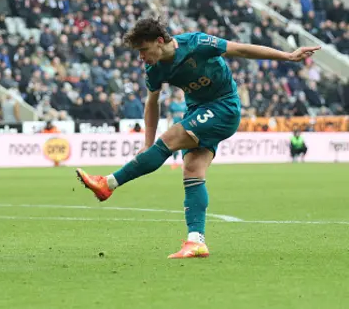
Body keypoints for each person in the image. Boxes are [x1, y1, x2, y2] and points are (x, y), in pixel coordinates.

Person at [76, 17, 319, 259]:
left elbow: (241, 49)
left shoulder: (197, 43)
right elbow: (152, 103)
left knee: (170, 138)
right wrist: (146, 144)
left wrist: (287, 56)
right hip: (198, 111)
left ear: (159, 41)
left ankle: (107, 184)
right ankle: (196, 241)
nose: (141, 57)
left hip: (224, 106)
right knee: (192, 170)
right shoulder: (154, 68)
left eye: (143, 50)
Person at [167, 89, 187, 170]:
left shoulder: (186, 104)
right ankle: (174, 161)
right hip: (175, 126)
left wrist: (184, 116)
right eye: (178, 93)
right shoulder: (172, 104)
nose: (180, 94)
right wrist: (168, 125)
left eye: (181, 93)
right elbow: (169, 115)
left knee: (185, 145)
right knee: (174, 145)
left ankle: (184, 162)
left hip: (184, 126)